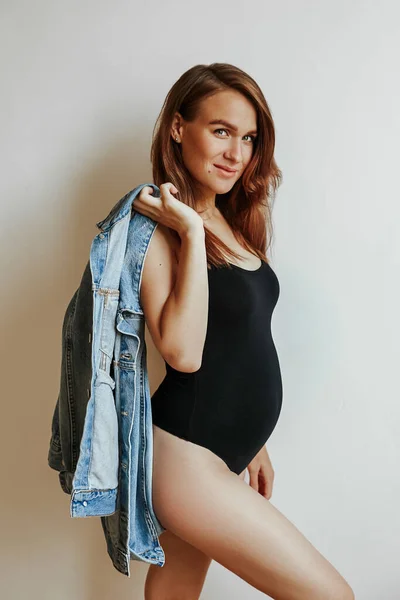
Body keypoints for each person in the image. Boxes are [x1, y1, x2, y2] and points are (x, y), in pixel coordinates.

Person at [133, 63, 354, 600]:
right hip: (185, 454)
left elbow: (239, 340)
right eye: (221, 131)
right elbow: (182, 353)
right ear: (179, 128)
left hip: (223, 454)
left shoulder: (233, 221)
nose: (237, 153)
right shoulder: (155, 225)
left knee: (173, 596)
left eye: (249, 137)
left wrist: (253, 442)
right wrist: (187, 228)